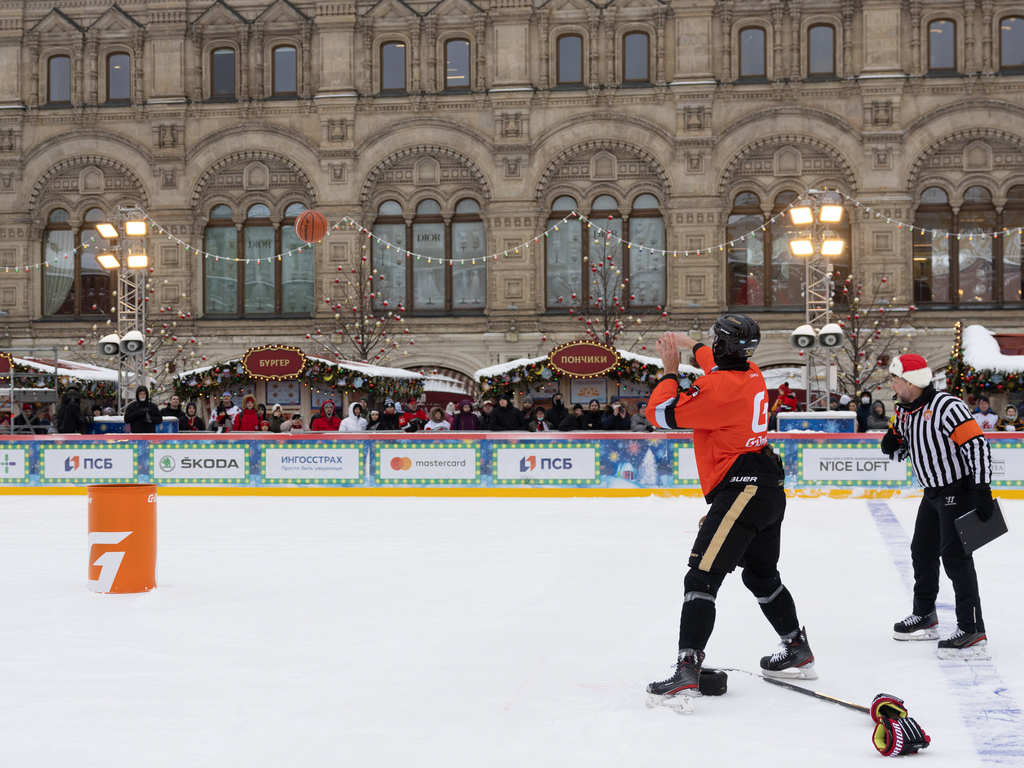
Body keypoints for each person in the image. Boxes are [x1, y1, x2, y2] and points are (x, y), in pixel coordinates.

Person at [644, 315, 815, 707]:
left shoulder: (716, 388)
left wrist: (670, 371)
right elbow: (715, 363)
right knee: (761, 576)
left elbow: (659, 414)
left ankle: (687, 669)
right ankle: (796, 647)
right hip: (766, 487)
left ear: (723, 347)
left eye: (711, 342)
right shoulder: (752, 373)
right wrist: (692, 346)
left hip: (741, 489)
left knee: (701, 578)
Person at [883, 354, 994, 658]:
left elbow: (977, 446)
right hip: (932, 493)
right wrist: (893, 442)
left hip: (958, 490)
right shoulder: (905, 409)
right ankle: (925, 615)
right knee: (922, 550)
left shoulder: (948, 407)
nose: (892, 383)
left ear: (910, 382)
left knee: (955, 557)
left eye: (895, 379)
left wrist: (982, 489)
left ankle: (972, 630)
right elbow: (906, 441)